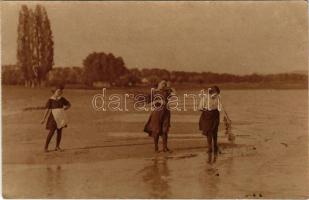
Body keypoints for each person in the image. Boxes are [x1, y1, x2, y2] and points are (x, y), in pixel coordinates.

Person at [198, 86, 230, 163]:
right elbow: (200, 108)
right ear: (211, 92)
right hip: (207, 115)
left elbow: (221, 107)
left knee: (215, 131)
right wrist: (208, 109)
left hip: (215, 115)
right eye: (215, 94)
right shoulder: (205, 98)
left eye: (217, 94)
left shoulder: (218, 98)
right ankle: (210, 148)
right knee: (209, 132)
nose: (216, 95)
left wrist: (226, 116)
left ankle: (215, 146)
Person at [41, 85, 71, 152]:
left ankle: (57, 147)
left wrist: (67, 107)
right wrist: (43, 119)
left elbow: (69, 104)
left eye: (60, 91)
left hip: (61, 117)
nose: (60, 92)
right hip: (53, 118)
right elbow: (47, 110)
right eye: (58, 91)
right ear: (54, 91)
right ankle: (46, 147)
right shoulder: (51, 100)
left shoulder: (62, 99)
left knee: (59, 132)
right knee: (51, 132)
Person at [144, 80, 171, 152]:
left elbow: (175, 94)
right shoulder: (154, 92)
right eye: (162, 84)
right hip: (157, 112)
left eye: (165, 84)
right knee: (156, 130)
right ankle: (156, 148)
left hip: (166, 112)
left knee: (165, 130)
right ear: (158, 84)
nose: (163, 85)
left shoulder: (167, 92)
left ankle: (165, 147)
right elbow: (148, 103)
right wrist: (157, 101)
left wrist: (169, 87)